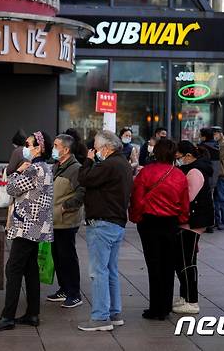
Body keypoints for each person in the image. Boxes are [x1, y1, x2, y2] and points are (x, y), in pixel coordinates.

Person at [0, 131, 53, 331]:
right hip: (36, 225)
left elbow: (12, 189)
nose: (26, 147)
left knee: (13, 268)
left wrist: (16, 172)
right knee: (30, 268)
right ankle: (33, 313)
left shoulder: (34, 168)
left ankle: (8, 316)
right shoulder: (45, 168)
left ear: (39, 147)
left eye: (29, 143)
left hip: (27, 226)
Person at [75, 131, 133, 332]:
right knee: (110, 271)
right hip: (115, 222)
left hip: (102, 223)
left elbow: (84, 178)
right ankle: (114, 312)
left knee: (98, 271)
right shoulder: (123, 164)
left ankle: (101, 317)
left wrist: (89, 161)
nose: (95, 152)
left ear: (107, 148)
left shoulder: (109, 164)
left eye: (97, 149)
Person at [130, 138, 189, 321]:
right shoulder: (179, 174)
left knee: (153, 265)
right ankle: (165, 305)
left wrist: (136, 217)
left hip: (149, 222)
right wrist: (180, 219)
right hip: (170, 223)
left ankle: (156, 308)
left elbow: (137, 199)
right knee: (168, 265)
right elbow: (184, 204)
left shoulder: (146, 172)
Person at [172, 141, 214, 315]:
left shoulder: (195, 171)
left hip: (192, 222)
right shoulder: (192, 169)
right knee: (182, 260)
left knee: (187, 262)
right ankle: (185, 296)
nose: (177, 161)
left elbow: (187, 198)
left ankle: (191, 300)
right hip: (189, 221)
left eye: (179, 157)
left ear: (188, 156)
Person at [48, 134, 85, 308]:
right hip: (54, 219)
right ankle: (64, 289)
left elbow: (82, 193)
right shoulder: (57, 166)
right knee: (58, 256)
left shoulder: (75, 168)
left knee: (67, 257)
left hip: (66, 220)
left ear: (66, 149)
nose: (53, 148)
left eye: (56, 145)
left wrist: (65, 207)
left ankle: (74, 293)